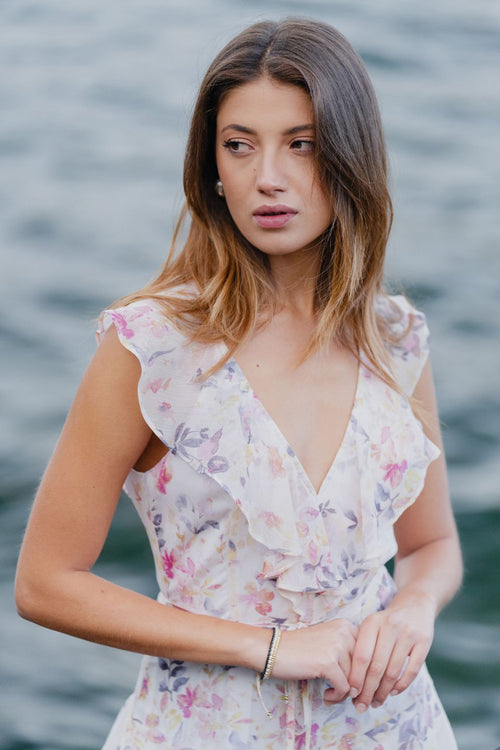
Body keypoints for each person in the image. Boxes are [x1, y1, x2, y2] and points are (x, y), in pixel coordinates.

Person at [15, 17, 462, 749]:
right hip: (207, 731)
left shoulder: (396, 340)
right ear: (213, 167)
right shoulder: (152, 346)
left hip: (393, 729)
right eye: (239, 145)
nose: (268, 178)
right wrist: (268, 647)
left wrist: (412, 611)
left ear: (350, 157)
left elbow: (433, 543)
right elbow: (44, 582)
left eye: (302, 144)